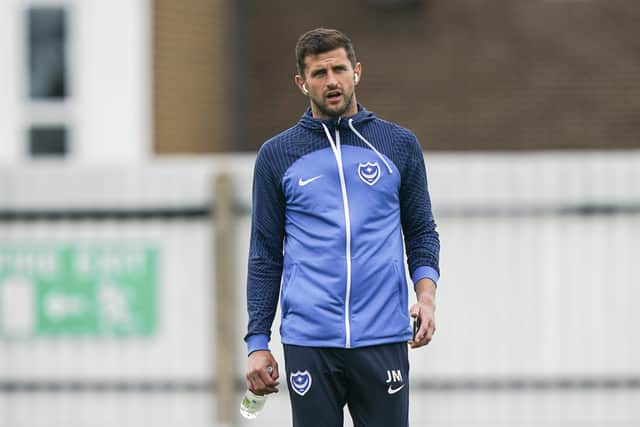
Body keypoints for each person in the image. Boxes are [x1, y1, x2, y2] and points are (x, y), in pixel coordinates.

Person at [244, 27, 440, 427]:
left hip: (383, 336)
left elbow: (421, 232)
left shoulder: (398, 145)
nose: (331, 81)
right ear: (302, 83)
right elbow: (265, 253)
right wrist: (257, 343)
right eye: (319, 73)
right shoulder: (276, 156)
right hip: (310, 342)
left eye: (338, 69)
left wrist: (427, 296)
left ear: (357, 72)